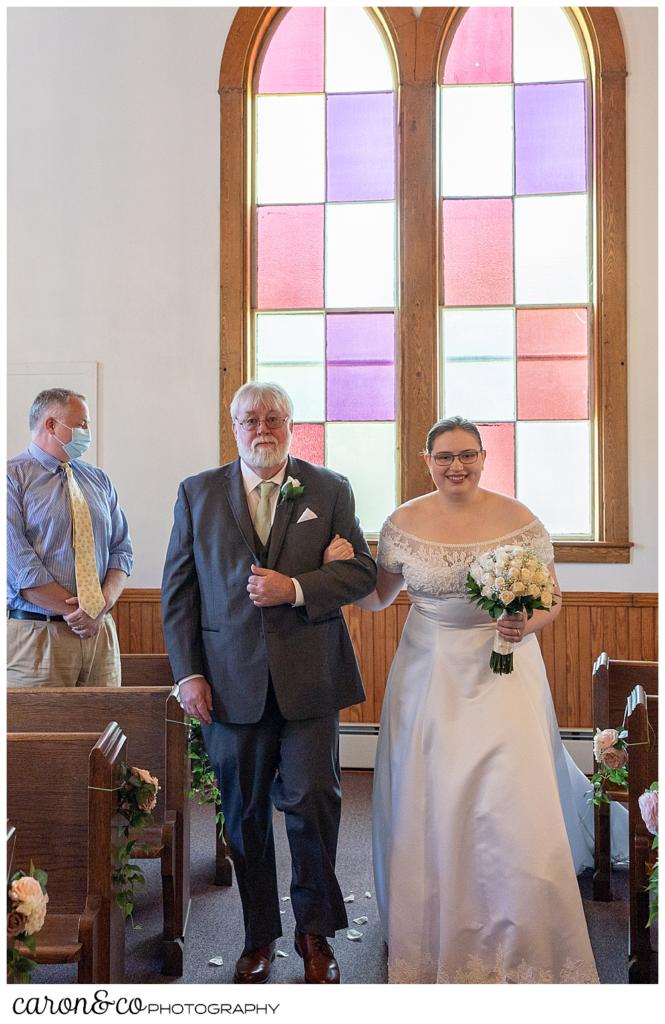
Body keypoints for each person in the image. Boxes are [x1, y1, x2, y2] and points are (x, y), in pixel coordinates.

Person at [351, 415, 614, 984]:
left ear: (483, 456)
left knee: (506, 793)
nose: (456, 466)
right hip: (428, 670)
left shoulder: (519, 521)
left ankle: (516, 924)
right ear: (427, 461)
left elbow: (553, 599)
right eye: (444, 456)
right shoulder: (402, 523)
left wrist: (527, 622)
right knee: (434, 791)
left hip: (505, 669)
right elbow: (377, 598)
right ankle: (433, 921)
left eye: (467, 454)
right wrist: (335, 567)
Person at [160, 381, 376, 985]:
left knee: (313, 803)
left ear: (291, 423)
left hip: (311, 680)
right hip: (228, 686)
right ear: (233, 426)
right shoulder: (197, 493)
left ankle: (315, 935)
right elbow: (179, 592)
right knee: (244, 817)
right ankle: (259, 936)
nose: (264, 428)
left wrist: (299, 587)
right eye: (251, 418)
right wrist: (190, 674)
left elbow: (360, 571)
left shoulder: (329, 489)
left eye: (275, 417)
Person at [7, 388, 133, 687]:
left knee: (106, 730)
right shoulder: (12, 478)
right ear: (51, 425)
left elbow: (121, 551)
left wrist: (99, 607)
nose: (87, 432)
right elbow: (18, 564)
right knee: (45, 732)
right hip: (39, 638)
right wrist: (77, 612)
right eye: (82, 424)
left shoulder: (98, 479)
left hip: (100, 633)